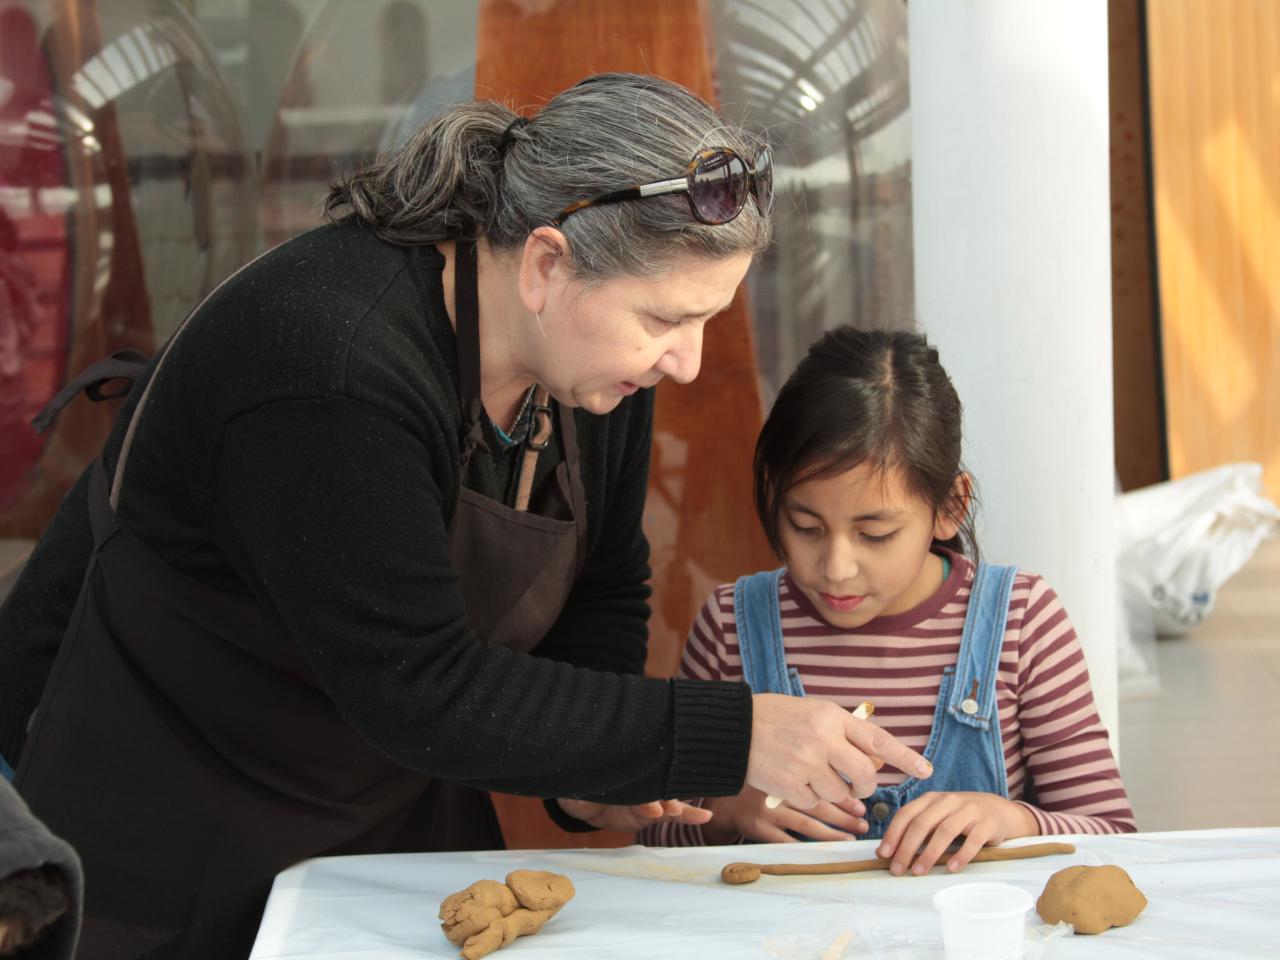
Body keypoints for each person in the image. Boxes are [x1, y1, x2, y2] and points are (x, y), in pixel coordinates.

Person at [0, 74, 931, 958]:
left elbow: (603, 585)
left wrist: (601, 786)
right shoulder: (331, 362)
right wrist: (739, 734)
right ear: (545, 264)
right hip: (170, 820)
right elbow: (420, 684)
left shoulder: (593, 365)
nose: (684, 362)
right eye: (662, 320)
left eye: (704, 322)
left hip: (387, 814)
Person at [641, 327, 1136, 872]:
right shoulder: (734, 626)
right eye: (804, 526)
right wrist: (728, 814)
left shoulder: (1022, 620)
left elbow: (1114, 835)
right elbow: (653, 836)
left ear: (950, 507)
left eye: (875, 535)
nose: (835, 567)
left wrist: (1012, 821)